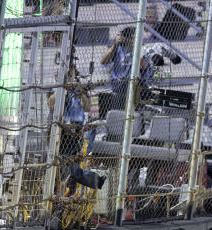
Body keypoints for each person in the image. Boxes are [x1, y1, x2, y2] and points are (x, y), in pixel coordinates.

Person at [48, 65, 104, 196]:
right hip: (60, 131)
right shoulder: (57, 89)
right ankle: (98, 180)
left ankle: (93, 182)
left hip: (75, 131)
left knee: (73, 166)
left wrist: (81, 92)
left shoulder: (79, 90)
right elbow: (51, 104)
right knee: (59, 165)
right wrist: (64, 89)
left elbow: (87, 107)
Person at [101, 27, 154, 110]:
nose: (131, 40)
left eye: (132, 38)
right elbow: (103, 61)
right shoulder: (117, 48)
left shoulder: (140, 49)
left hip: (136, 84)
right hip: (119, 85)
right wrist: (115, 44)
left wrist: (136, 51)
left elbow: (144, 66)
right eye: (128, 37)